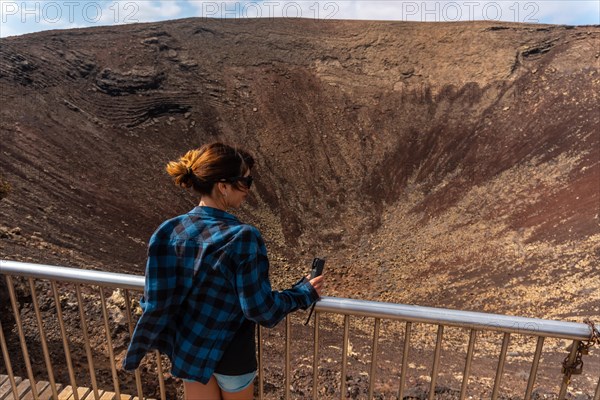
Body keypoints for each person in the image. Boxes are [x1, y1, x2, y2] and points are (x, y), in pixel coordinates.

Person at [123, 142, 324, 400]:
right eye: (246, 182)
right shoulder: (242, 237)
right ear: (223, 186)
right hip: (231, 355)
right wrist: (304, 293)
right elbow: (260, 309)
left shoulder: (168, 231)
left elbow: (155, 300)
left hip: (188, 349)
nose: (248, 190)